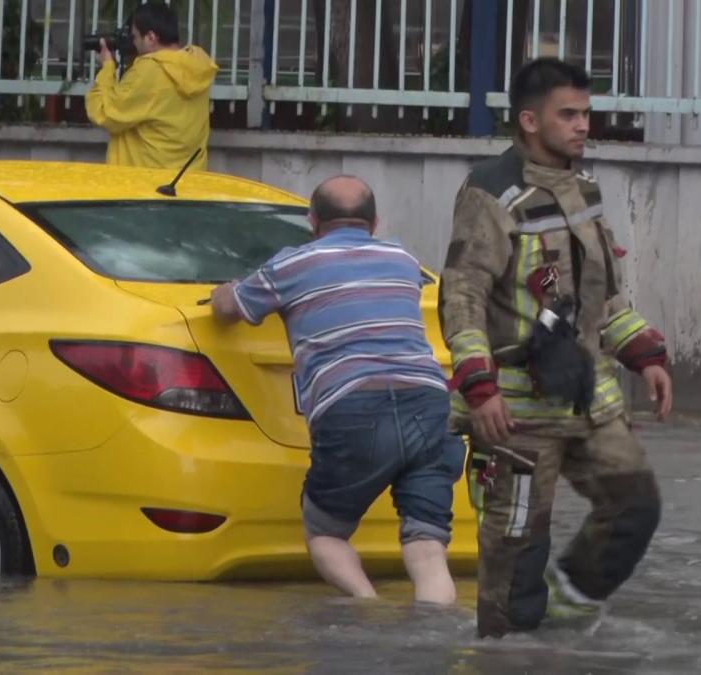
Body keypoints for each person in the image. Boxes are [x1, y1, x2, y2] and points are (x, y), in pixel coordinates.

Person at [440, 58, 672, 639]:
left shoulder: (584, 189)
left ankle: (568, 608)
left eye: (585, 114)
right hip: (514, 416)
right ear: (528, 120)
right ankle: (509, 651)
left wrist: (645, 354)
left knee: (636, 506)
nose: (582, 125)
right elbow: (462, 295)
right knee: (515, 566)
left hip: (588, 397)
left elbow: (602, 296)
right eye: (567, 114)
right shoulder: (489, 193)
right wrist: (479, 385)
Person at [210, 176, 464, 605]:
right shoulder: (402, 258)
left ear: (313, 221)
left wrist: (224, 289)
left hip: (352, 407)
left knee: (325, 532)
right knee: (427, 548)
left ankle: (364, 607)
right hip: (430, 403)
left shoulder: (292, 266)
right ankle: (434, 642)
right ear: (375, 221)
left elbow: (228, 309)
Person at [84, 1, 218, 171]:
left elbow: (104, 112)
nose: (133, 43)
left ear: (151, 38)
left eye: (134, 37)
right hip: (186, 184)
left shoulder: (149, 71)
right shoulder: (196, 66)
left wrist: (107, 67)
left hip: (146, 185)